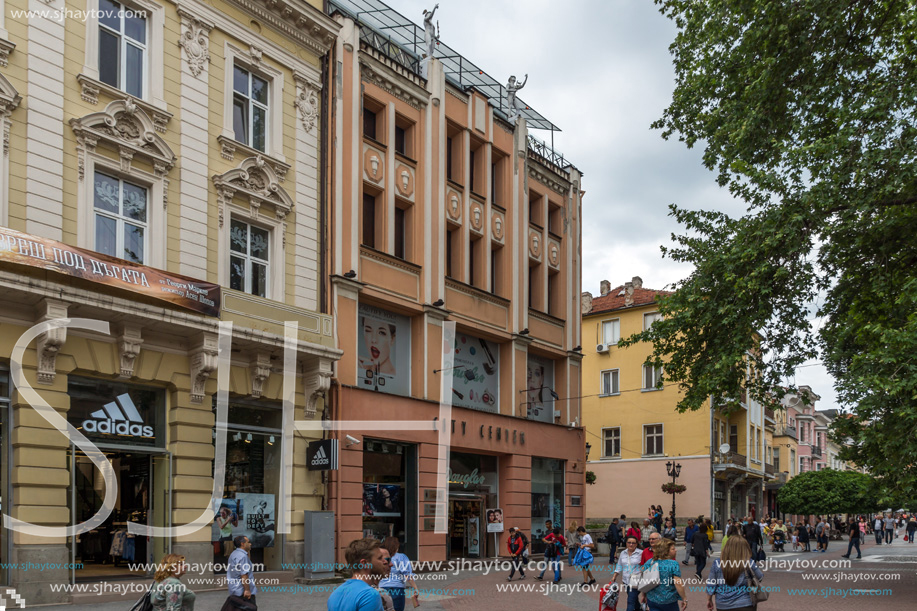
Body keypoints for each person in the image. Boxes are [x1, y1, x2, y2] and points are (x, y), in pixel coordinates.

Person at [328, 538, 391, 611]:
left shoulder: (336, 593)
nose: (385, 562)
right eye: (380, 558)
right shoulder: (369, 595)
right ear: (364, 563)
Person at [705, 535, 764, 611]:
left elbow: (711, 584)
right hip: (745, 602)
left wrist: (709, 599)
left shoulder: (717, 563)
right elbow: (760, 577)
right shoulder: (748, 561)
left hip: (723, 604)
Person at [639, 538, 687, 611]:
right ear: (666, 551)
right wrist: (684, 598)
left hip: (652, 599)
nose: (676, 550)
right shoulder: (673, 564)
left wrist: (644, 594)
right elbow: (678, 583)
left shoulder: (650, 562)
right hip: (669, 601)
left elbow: (645, 579)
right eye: (673, 549)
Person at [379, 537, 417, 611]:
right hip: (397, 588)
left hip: (382, 588)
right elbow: (407, 574)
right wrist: (415, 588)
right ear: (396, 546)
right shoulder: (401, 557)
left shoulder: (381, 557)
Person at [610, 536, 643, 611]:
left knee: (630, 601)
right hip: (626, 581)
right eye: (629, 542)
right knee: (633, 598)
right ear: (626, 543)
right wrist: (614, 576)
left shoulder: (641, 553)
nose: (631, 544)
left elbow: (645, 565)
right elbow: (619, 566)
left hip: (636, 581)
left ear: (636, 544)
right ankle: (639, 609)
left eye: (633, 543)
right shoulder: (623, 553)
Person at [227, 536, 257, 606]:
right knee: (250, 608)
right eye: (248, 542)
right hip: (242, 591)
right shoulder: (243, 556)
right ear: (242, 544)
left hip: (234, 589)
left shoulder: (233, 554)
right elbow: (244, 574)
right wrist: (247, 590)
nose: (250, 544)